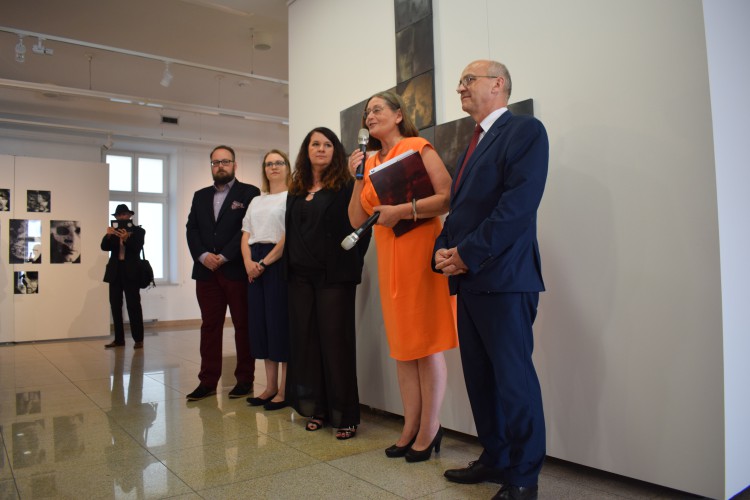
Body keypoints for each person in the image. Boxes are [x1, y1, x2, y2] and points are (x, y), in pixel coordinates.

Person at [433, 60, 549, 500]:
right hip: (470, 281)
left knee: (514, 381)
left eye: (469, 80)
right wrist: (442, 249)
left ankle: (523, 476)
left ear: (498, 84)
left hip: (505, 278)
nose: (460, 87)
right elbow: (460, 212)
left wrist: (467, 254)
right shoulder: (474, 141)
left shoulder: (525, 131)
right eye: (460, 81)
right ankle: (496, 457)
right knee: (480, 380)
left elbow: (517, 207)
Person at [347, 91, 457, 462]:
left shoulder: (416, 147)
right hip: (389, 257)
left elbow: (446, 198)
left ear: (398, 115)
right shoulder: (369, 162)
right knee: (404, 348)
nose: (370, 116)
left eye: (377, 109)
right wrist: (356, 177)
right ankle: (410, 425)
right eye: (367, 112)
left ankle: (431, 426)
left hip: (421, 252)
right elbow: (357, 219)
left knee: (426, 344)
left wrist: (402, 210)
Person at [284, 127, 370, 440]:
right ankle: (317, 409)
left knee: (336, 345)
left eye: (328, 144)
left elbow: (361, 226)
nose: (321, 149)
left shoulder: (345, 185)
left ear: (336, 151)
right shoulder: (296, 189)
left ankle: (345, 415)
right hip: (299, 279)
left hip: (333, 277)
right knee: (307, 345)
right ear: (306, 151)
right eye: (315, 144)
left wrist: (350, 262)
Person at [186, 145, 260, 401]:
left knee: (243, 325)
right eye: (216, 162)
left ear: (235, 165)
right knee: (209, 327)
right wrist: (203, 255)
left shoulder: (249, 193)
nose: (220, 166)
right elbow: (192, 229)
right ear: (211, 166)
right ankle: (207, 381)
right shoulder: (200, 196)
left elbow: (246, 229)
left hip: (236, 269)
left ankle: (245, 380)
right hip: (206, 272)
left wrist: (226, 255)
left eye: (225, 162)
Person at [240, 150, 291, 411]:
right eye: (269, 164)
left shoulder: (291, 198)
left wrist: (263, 263)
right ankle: (269, 387)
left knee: (279, 324)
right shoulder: (256, 201)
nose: (274, 167)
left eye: (279, 162)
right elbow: (245, 234)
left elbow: (287, 237)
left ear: (287, 167)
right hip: (254, 263)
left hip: (276, 262)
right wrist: (248, 263)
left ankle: (284, 390)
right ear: (264, 169)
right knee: (261, 326)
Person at [101, 204, 146, 349]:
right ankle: (119, 339)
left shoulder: (139, 231)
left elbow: (137, 247)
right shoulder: (113, 232)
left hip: (131, 271)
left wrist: (127, 238)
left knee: (134, 305)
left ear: (130, 216)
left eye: (124, 214)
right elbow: (104, 247)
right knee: (115, 305)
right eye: (119, 215)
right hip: (115, 271)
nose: (121, 217)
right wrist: (108, 235)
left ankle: (138, 339)